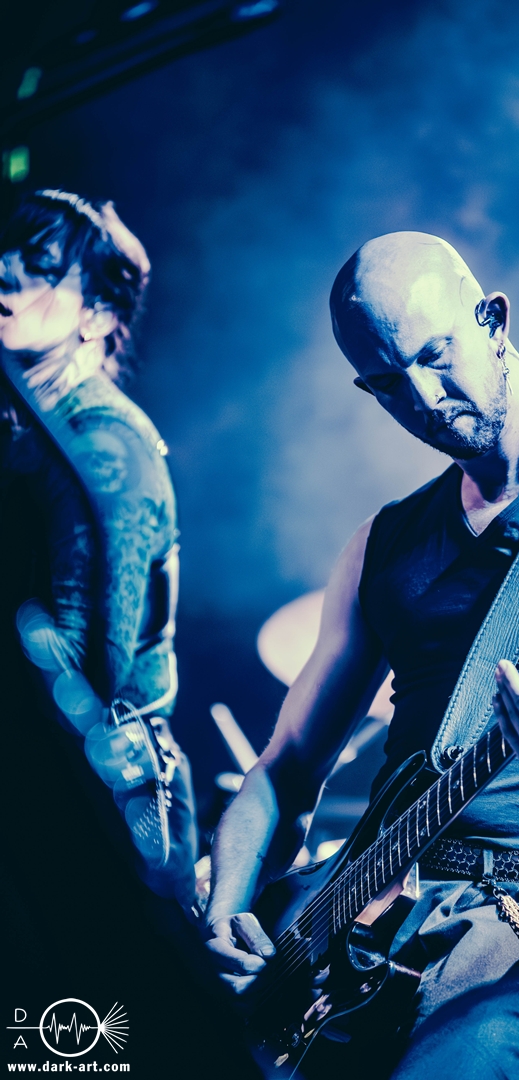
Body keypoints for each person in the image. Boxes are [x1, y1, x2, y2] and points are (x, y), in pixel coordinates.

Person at [205, 232, 519, 1078]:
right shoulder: (382, 541)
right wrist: (225, 918)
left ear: (493, 319)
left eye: (433, 355)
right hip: (361, 905)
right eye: (385, 384)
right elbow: (286, 766)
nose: (421, 399)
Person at [0, 190, 197, 910]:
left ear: (99, 316)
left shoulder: (104, 444)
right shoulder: (31, 436)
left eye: (39, 263)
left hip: (109, 822)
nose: (5, 270)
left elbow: (89, 672)